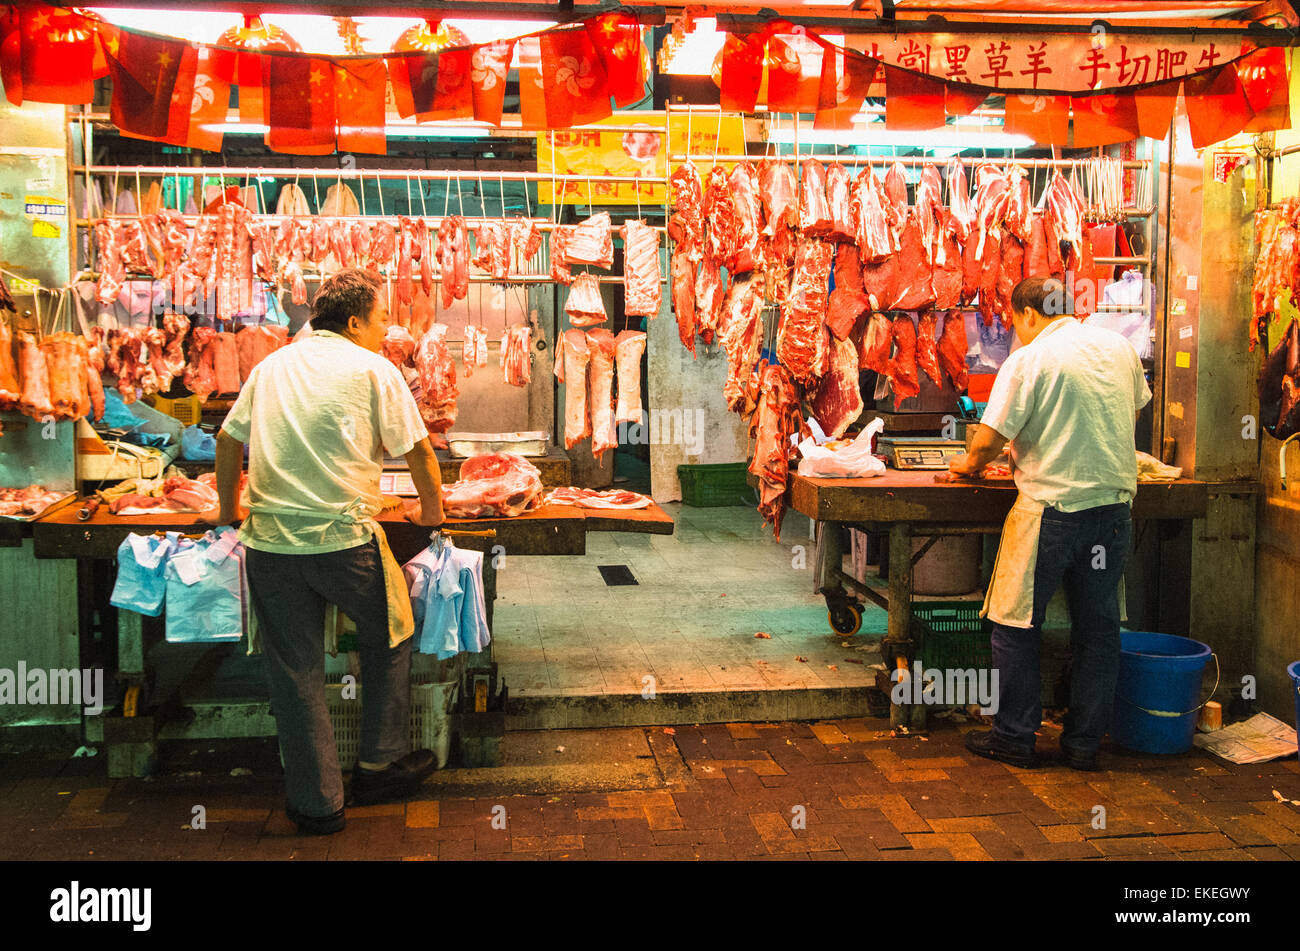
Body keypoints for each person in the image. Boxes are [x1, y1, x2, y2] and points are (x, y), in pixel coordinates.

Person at [210, 268, 445, 835]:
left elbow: (226, 440)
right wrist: (431, 515)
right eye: (383, 317)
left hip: (269, 543)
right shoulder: (373, 369)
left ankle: (318, 806)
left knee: (294, 671)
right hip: (343, 543)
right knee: (391, 633)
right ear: (356, 321)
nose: (387, 327)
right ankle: (378, 765)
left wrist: (228, 513)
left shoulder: (271, 366)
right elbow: (419, 454)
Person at [948, 276, 1151, 771]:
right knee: (1099, 629)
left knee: (1015, 623)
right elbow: (1134, 410)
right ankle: (1083, 745)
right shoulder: (1118, 349)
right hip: (1113, 513)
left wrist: (965, 466)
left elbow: (986, 445)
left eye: (1016, 323)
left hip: (1051, 512)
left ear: (1027, 315)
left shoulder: (1030, 359)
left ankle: (1015, 737)